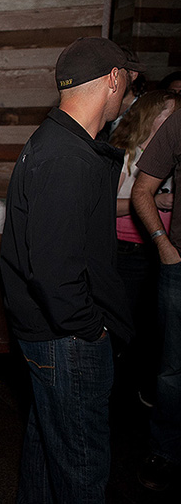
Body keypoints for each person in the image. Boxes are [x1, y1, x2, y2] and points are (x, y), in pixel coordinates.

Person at [0, 37, 142, 502]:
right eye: (128, 82)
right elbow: (54, 270)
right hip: (67, 339)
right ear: (113, 79)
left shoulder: (56, 141)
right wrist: (91, 329)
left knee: (47, 454)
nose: (128, 94)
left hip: (51, 334)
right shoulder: (66, 155)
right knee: (81, 470)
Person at [110, 91, 181, 408]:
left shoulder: (172, 153)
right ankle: (116, 395)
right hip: (127, 250)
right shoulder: (126, 153)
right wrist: (153, 200)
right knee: (125, 326)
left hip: (161, 250)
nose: (175, 120)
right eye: (170, 113)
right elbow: (105, 205)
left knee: (154, 330)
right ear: (151, 116)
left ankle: (141, 389)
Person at [131, 104, 181, 492]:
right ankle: (165, 451)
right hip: (179, 264)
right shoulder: (179, 123)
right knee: (173, 369)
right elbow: (142, 189)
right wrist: (164, 246)